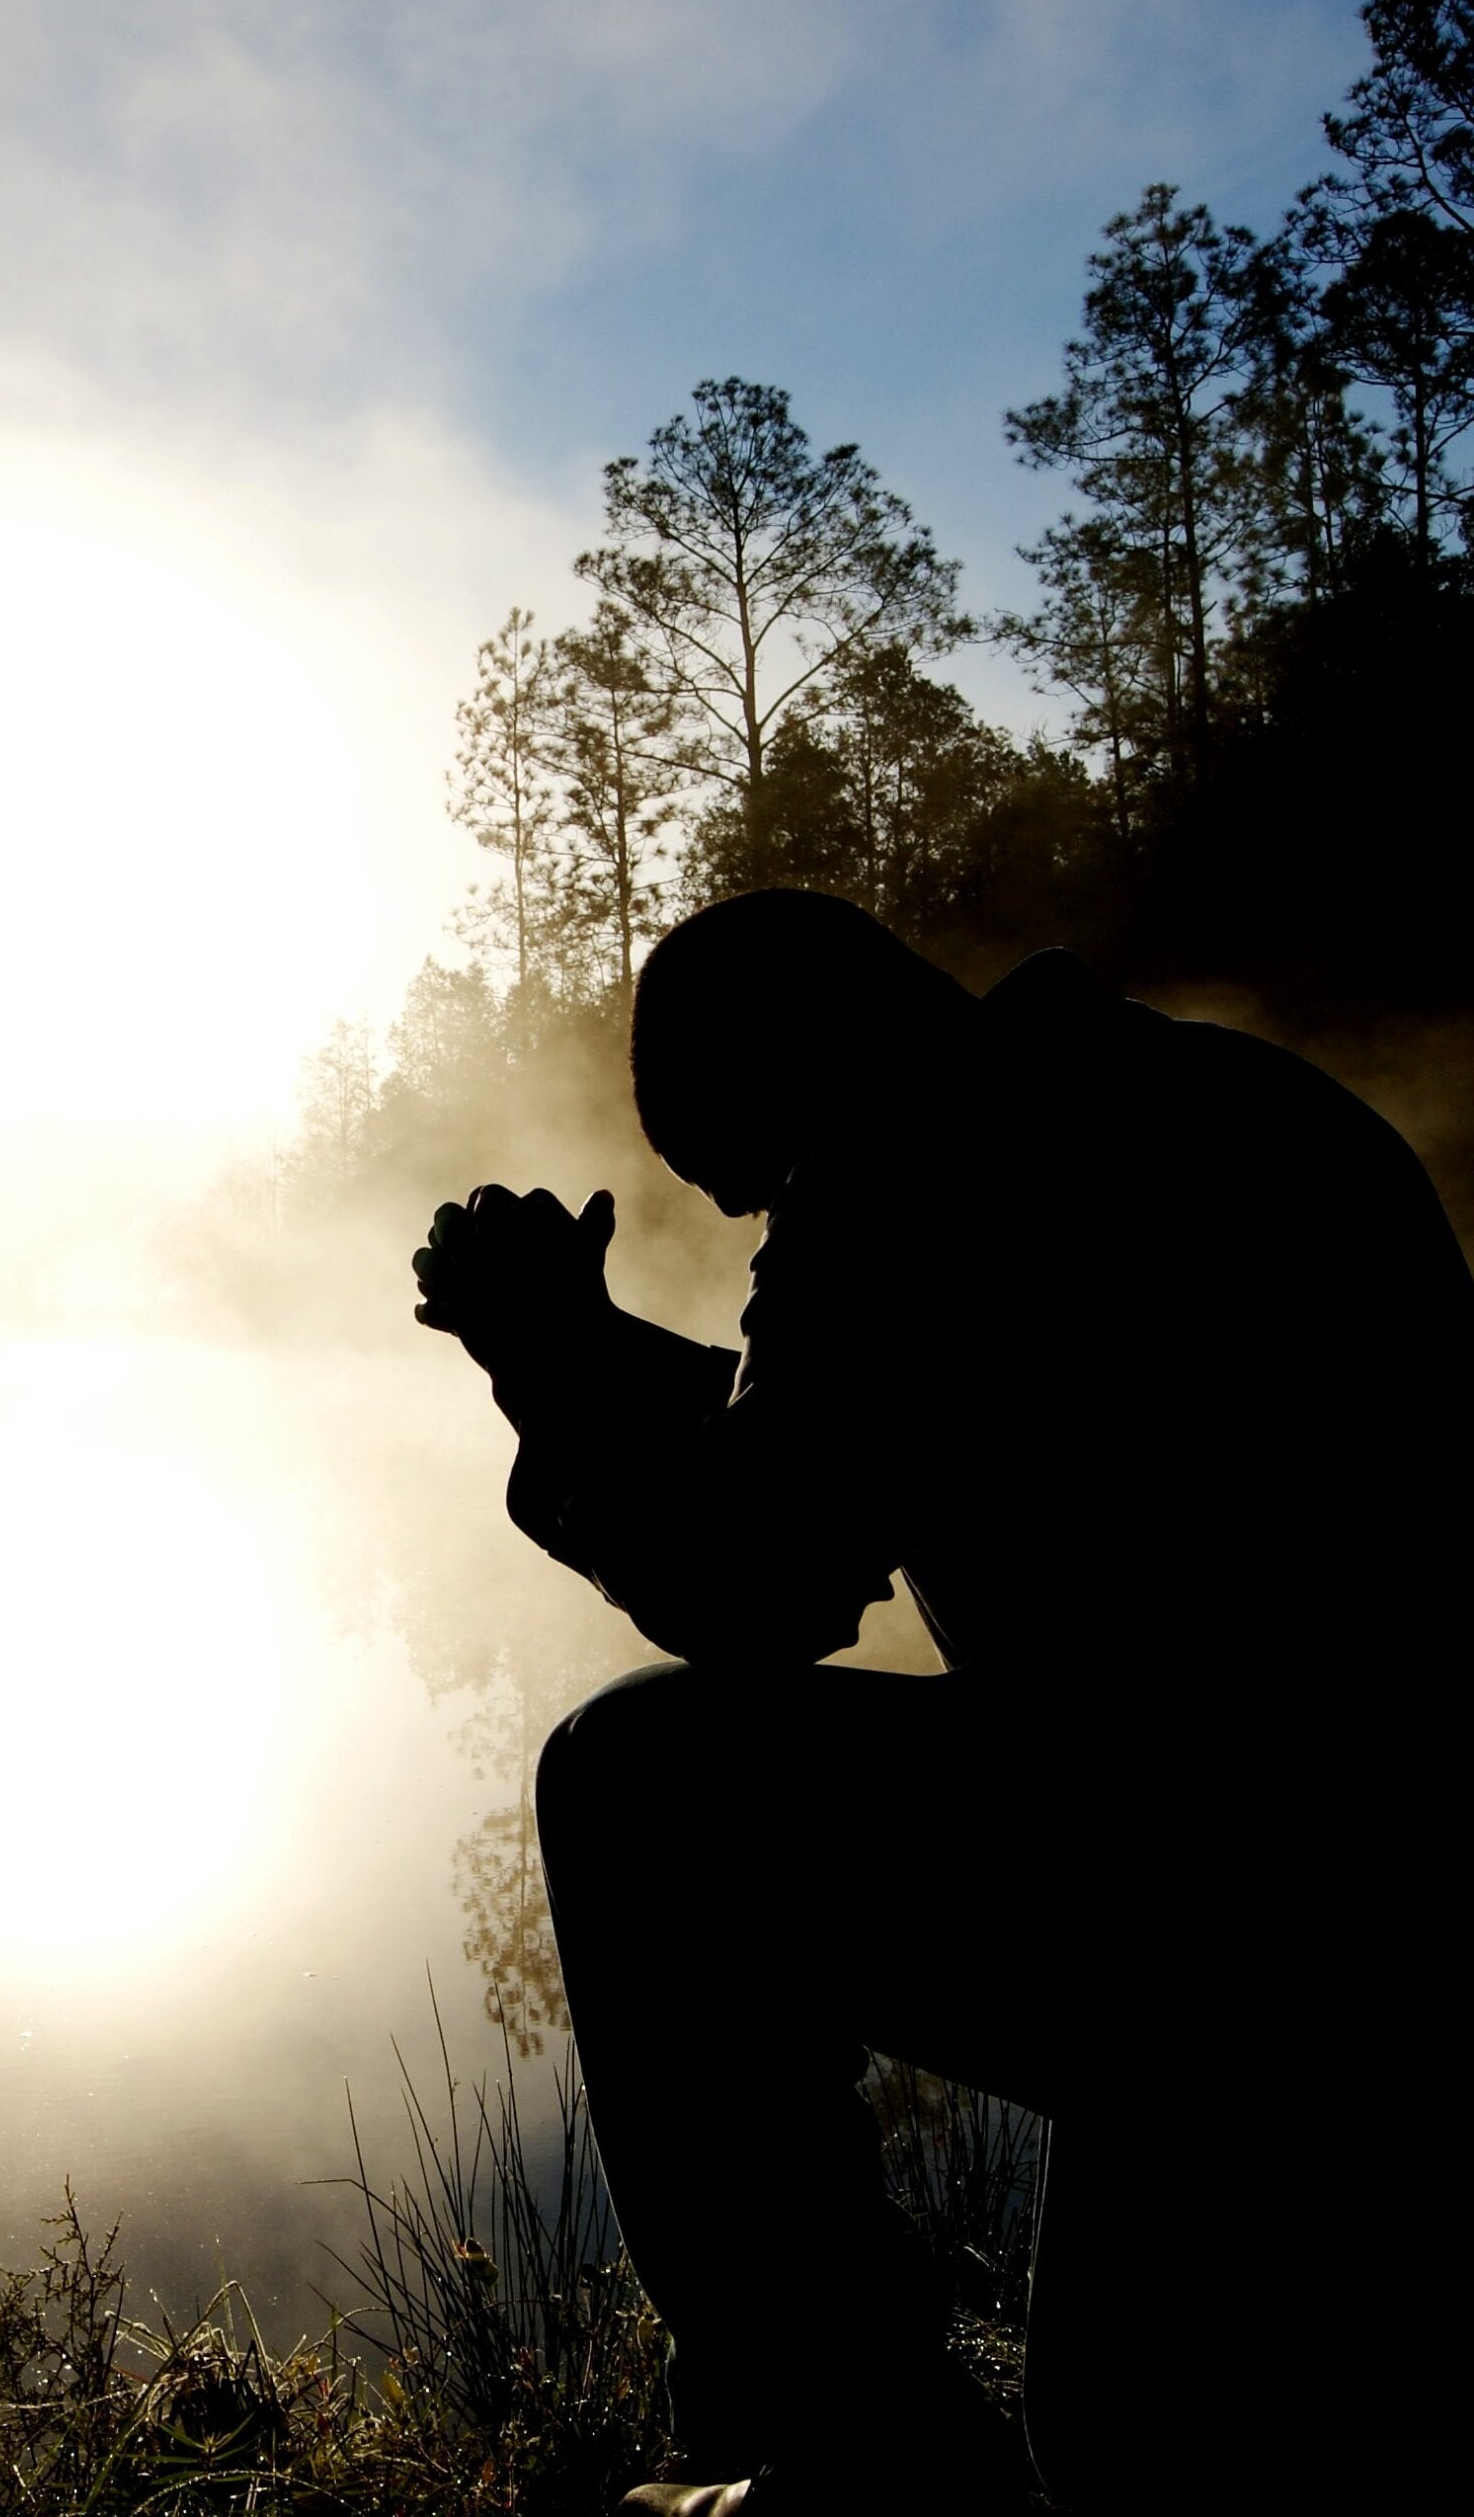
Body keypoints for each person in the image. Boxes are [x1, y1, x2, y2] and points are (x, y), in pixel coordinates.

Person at [410, 889, 1467, 2516]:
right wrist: (603, 1348)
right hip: (1358, 1872)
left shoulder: (911, 1166)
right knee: (1127, 2434)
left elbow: (757, 1580)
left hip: (1216, 1901)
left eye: (765, 1194)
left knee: (637, 1787)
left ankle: (855, 2471)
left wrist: (551, 1379)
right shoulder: (1202, 1100)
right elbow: (862, 1422)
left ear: (800, 1072)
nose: (771, 1240)